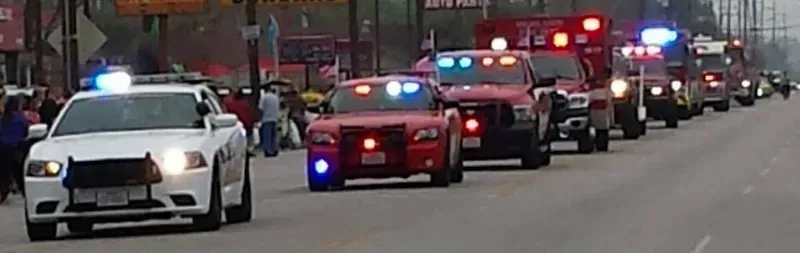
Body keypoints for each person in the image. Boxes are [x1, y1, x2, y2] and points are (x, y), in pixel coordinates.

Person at [0, 96, 29, 201]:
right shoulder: (21, 118)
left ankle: (4, 190)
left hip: (3, 148)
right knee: (18, 172)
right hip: (17, 148)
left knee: (4, 171)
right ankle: (25, 192)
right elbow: (26, 132)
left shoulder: (4, 118)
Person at [223, 88, 257, 153]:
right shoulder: (245, 103)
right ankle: (248, 149)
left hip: (234, 124)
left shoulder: (228, 102)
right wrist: (253, 121)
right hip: (246, 124)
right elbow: (250, 113)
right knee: (247, 137)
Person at [259, 85, 280, 157]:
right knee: (273, 136)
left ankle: (268, 151)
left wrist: (260, 118)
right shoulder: (275, 97)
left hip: (266, 119)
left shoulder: (264, 97)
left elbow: (261, 108)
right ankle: (274, 149)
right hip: (274, 118)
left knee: (266, 136)